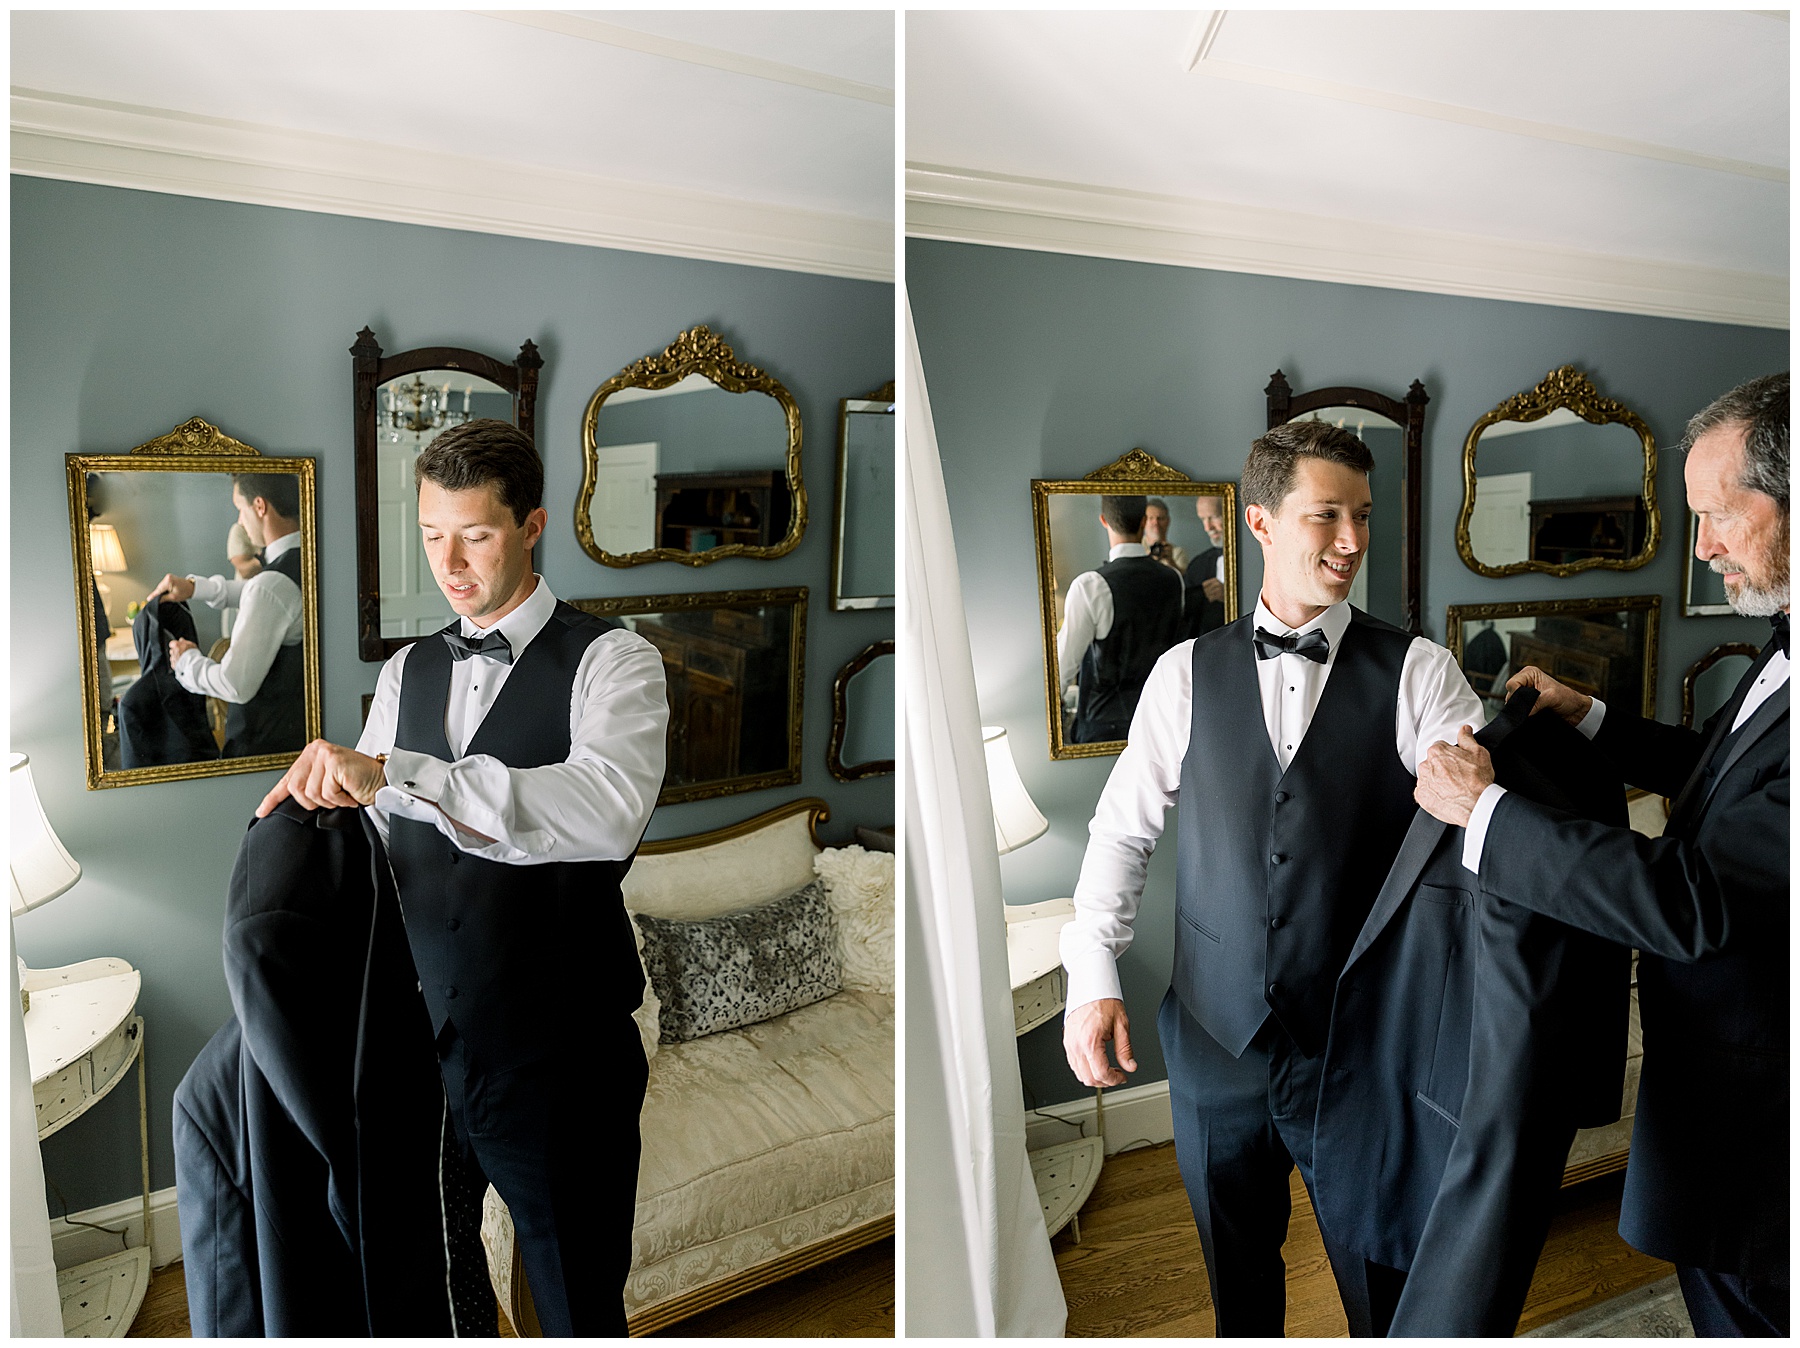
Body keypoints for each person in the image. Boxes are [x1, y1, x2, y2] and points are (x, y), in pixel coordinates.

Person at [1060, 420, 1483, 1336]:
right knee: (1238, 1286)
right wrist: (1092, 975)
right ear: (1259, 521)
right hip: (1216, 1040)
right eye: (1326, 514)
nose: (1352, 539)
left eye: (1362, 515)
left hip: (1364, 1047)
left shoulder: (1421, 673)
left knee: (1385, 1288)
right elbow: (1121, 834)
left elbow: (1475, 824)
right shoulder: (1182, 675)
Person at [254, 418, 669, 1336]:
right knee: (429, 1284)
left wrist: (401, 774)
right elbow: (377, 826)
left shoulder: (615, 661)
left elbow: (604, 808)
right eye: (432, 534)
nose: (449, 563)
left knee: (576, 1304)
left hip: (562, 1058)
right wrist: (310, 812)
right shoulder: (408, 668)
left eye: (475, 535)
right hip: (419, 1047)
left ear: (532, 526)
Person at [1415, 372, 1789, 1338]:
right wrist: (1594, 720)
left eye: (1718, 516)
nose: (1701, 547)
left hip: (1761, 1121)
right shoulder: (1784, 638)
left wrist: (1486, 814)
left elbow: (1696, 900)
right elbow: (1731, 780)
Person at [148, 474, 306, 757]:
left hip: (262, 749)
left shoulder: (270, 586)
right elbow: (261, 594)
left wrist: (187, 662)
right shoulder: (308, 560)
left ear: (260, 506)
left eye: (240, 508)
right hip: (294, 736)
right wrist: (194, 588)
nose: (240, 521)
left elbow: (234, 684)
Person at [1057, 494, 1185, 743]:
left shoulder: (1090, 585)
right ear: (1143, 521)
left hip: (1104, 727)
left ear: (1104, 520)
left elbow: (1064, 665)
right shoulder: (1174, 579)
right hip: (1161, 724)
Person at [1182, 493, 1229, 639]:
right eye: (1203, 519)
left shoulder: (1257, 559)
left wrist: (1230, 596)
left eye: (1214, 517)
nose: (1207, 527)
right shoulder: (1197, 565)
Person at [1142, 497, 1189, 574]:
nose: (1156, 523)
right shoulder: (1136, 548)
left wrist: (1171, 562)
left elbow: (1184, 579)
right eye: (1151, 518)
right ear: (1143, 522)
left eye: (1160, 518)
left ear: (1168, 521)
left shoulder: (1177, 553)